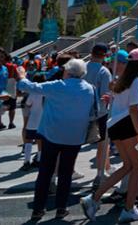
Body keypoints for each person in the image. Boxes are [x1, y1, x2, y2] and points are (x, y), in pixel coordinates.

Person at [16, 58, 95, 221]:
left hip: (52, 134)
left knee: (45, 172)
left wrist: (22, 76)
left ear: (67, 71)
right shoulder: (90, 89)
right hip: (74, 137)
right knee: (66, 173)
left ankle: (38, 209)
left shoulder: (58, 85)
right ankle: (61, 208)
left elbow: (29, 87)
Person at [81, 49, 138, 222]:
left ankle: (95, 197)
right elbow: (133, 109)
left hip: (116, 125)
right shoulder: (134, 81)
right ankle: (128, 208)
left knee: (128, 166)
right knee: (137, 165)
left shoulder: (121, 81)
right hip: (127, 125)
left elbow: (117, 101)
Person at [84, 43, 113, 187]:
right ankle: (99, 174)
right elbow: (105, 95)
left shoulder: (82, 67)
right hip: (99, 112)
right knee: (102, 143)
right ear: (104, 55)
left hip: (79, 110)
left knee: (73, 143)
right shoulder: (104, 71)